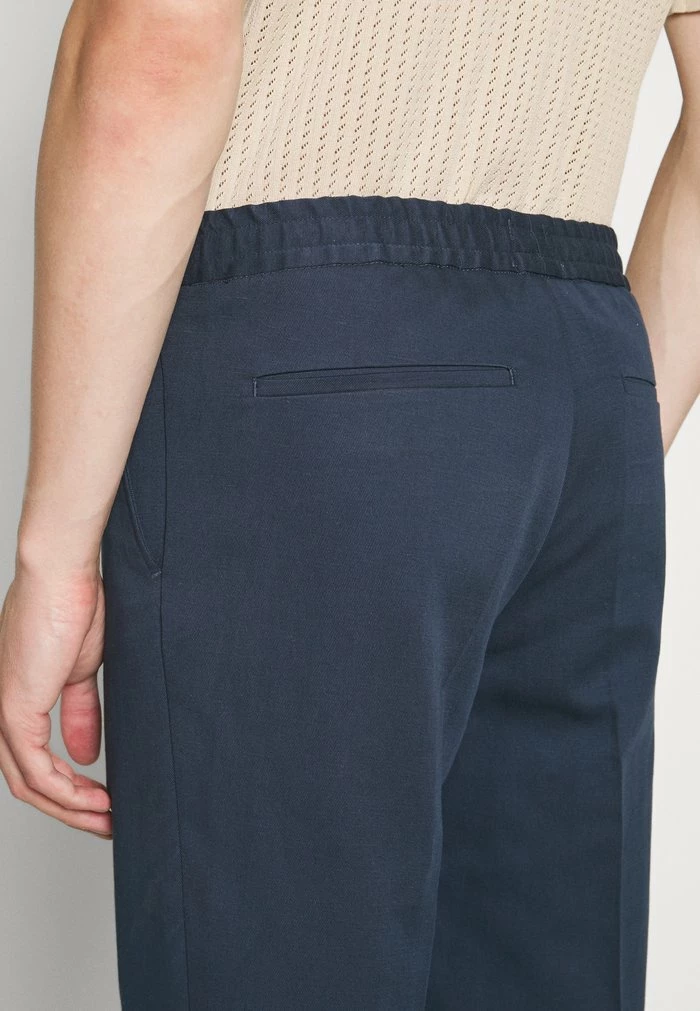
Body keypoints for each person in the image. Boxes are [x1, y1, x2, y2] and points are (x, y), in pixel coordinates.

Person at [0, 1, 698, 1008]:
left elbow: (157, 37)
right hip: (589, 378)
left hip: (310, 354)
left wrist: (54, 555)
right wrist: (573, 441)